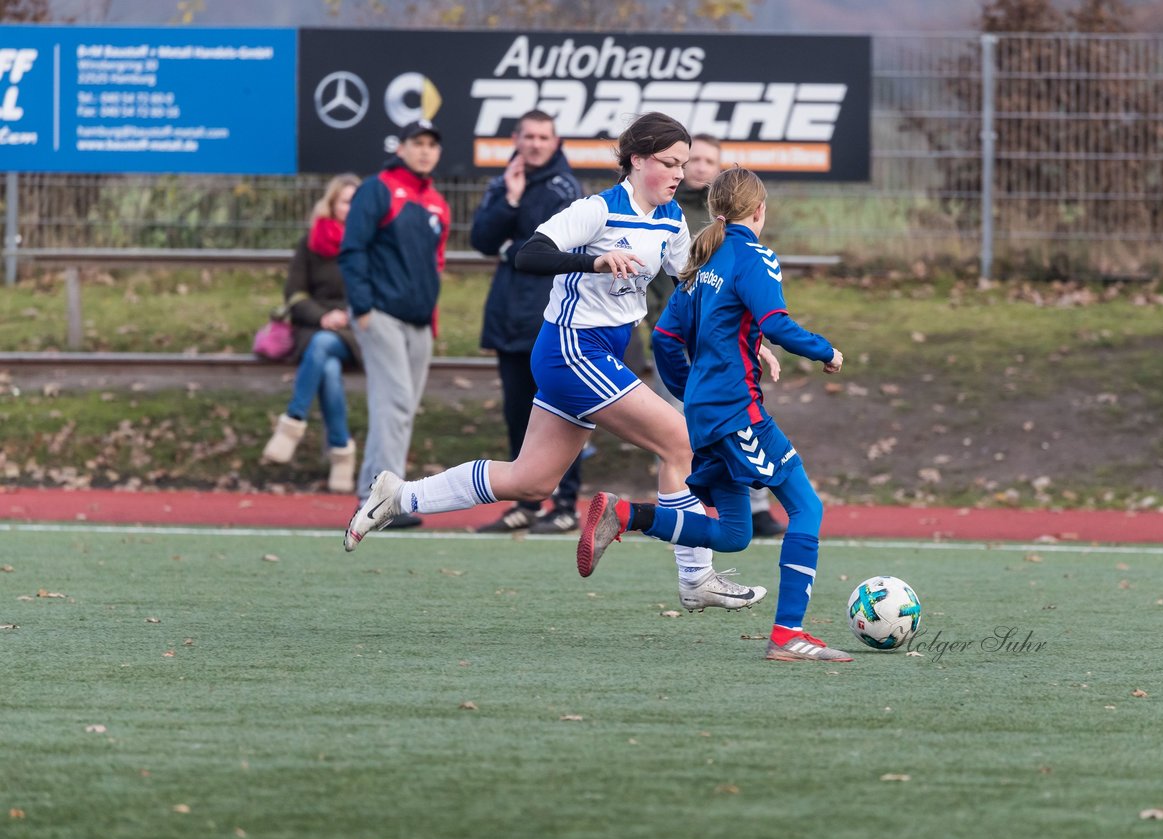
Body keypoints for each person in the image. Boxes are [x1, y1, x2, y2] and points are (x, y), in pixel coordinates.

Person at [344, 112, 765, 615]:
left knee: (532, 480)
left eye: (683, 164)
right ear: (636, 160)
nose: (679, 173)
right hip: (571, 349)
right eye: (669, 163)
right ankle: (697, 578)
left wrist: (745, 337)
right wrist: (594, 260)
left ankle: (398, 497)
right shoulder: (596, 210)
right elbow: (530, 254)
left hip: (600, 354)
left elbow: (692, 290)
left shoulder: (671, 221)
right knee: (680, 441)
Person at [576, 166, 853, 663]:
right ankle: (788, 634)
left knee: (733, 533)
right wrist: (827, 351)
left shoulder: (701, 262)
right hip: (736, 413)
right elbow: (777, 324)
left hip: (708, 414)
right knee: (807, 509)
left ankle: (628, 515)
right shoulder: (754, 257)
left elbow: (664, 338)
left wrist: (691, 393)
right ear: (760, 210)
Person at [626, 133, 787, 539]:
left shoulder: (730, 220)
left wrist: (757, 338)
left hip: (722, 344)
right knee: (683, 432)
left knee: (739, 420)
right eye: (690, 160)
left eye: (707, 161)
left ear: (720, 169)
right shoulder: (666, 211)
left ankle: (755, 505)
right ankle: (683, 516)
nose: (697, 167)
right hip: (675, 336)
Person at [471, 110, 586, 535]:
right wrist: (511, 200)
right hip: (508, 317)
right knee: (517, 414)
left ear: (556, 142)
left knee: (562, 412)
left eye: (544, 136)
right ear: (516, 138)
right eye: (528, 136)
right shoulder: (504, 182)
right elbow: (482, 239)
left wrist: (512, 248)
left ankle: (566, 503)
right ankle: (525, 502)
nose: (536, 143)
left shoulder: (565, 188)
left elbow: (546, 251)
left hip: (551, 318)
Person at [339, 119, 450, 529]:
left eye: (431, 144)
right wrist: (362, 307)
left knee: (401, 407)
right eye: (416, 143)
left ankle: (375, 496)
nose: (424, 150)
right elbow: (352, 249)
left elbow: (436, 265)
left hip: (419, 322)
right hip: (381, 313)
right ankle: (381, 500)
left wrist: (433, 321)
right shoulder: (378, 188)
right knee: (396, 403)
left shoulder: (437, 201)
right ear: (400, 148)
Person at [261, 173, 363, 493]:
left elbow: (377, 291)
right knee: (327, 364)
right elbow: (294, 294)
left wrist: (345, 316)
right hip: (315, 327)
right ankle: (341, 453)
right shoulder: (311, 242)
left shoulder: (371, 242)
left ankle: (291, 424)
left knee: (324, 349)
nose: (352, 208)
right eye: (346, 201)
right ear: (331, 205)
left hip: (356, 331)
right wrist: (322, 317)